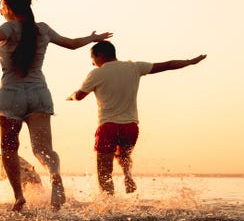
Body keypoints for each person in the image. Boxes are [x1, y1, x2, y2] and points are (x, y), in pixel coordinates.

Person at [0, 0, 111, 211]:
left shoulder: (9, 28)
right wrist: (93, 38)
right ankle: (54, 174)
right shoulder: (43, 29)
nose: (0, 12)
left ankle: (19, 196)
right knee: (43, 149)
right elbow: (72, 43)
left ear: (9, 8)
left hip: (11, 95)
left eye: (1, 7)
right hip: (39, 93)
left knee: (9, 148)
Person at [68, 41, 206, 195]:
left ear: (100, 55)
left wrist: (71, 97)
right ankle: (128, 176)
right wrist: (191, 62)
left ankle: (108, 207)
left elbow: (79, 96)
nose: (92, 63)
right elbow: (167, 65)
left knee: (104, 171)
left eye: (92, 58)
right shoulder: (134, 67)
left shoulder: (96, 74)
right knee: (123, 155)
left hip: (108, 126)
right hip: (131, 127)